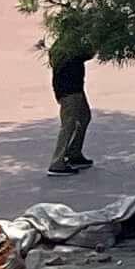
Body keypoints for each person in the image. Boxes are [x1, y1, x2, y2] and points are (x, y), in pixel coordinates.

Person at [47, 22, 93, 175]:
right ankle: (57, 162)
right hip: (69, 91)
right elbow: (88, 53)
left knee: (84, 117)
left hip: (74, 89)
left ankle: (74, 152)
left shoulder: (62, 45)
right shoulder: (68, 47)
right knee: (69, 124)